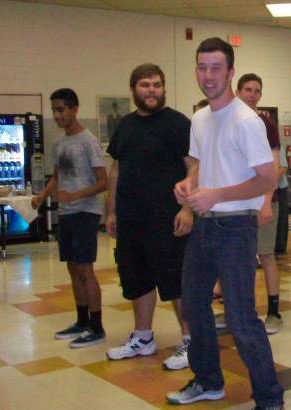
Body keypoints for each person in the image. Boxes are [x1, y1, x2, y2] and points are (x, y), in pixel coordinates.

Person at [167, 37, 284, 408]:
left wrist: (217, 195)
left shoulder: (247, 121)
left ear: (230, 72)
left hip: (236, 228)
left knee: (240, 316)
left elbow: (268, 178)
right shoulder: (201, 117)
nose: (208, 75)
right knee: (195, 306)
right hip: (203, 226)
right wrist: (191, 184)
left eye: (216, 68)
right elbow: (202, 164)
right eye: (202, 67)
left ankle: (269, 397)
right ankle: (208, 380)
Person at [105, 64, 194, 370]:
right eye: (145, 85)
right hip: (132, 220)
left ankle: (190, 340)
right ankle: (143, 337)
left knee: (177, 280)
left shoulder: (177, 124)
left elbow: (193, 167)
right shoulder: (125, 125)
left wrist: (187, 208)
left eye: (157, 84)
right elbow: (116, 170)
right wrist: (112, 210)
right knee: (136, 278)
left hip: (169, 219)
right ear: (134, 90)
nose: (152, 90)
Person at [31, 89, 108, 347]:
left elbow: (103, 182)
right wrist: (42, 196)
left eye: (61, 109)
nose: (57, 115)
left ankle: (97, 327)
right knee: (72, 268)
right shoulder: (59, 143)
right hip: (65, 214)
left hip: (85, 213)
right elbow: (57, 177)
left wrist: (76, 195)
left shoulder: (89, 141)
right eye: (54, 110)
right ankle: (82, 320)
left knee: (85, 269)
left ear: (74, 109)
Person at [234, 73, 286, 334]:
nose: (252, 94)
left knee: (266, 255)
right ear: (237, 91)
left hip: (264, 200)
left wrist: (266, 200)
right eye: (248, 90)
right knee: (238, 259)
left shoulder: (266, 123)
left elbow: (275, 165)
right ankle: (241, 312)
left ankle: (274, 312)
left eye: (257, 90)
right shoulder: (230, 120)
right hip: (237, 202)